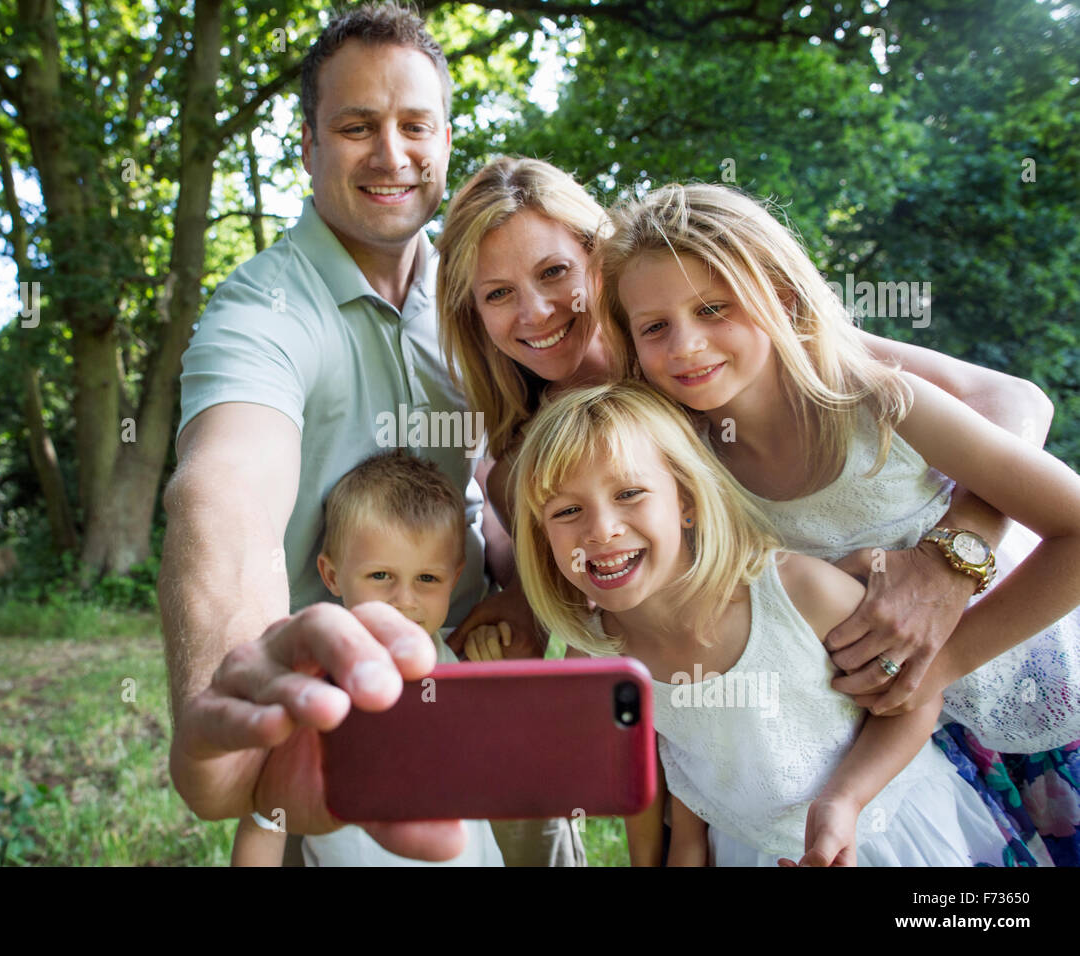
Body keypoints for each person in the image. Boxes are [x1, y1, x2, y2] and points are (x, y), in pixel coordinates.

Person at [435, 155, 1057, 863]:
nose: (536, 312)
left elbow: (1015, 401)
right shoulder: (559, 444)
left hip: (985, 657)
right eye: (497, 294)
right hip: (829, 731)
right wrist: (523, 594)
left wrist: (949, 564)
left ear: (596, 259)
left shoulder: (740, 353)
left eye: (553, 273)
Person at [161, 3, 556, 865]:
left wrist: (520, 595)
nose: (391, 154)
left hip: (481, 683)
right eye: (355, 126)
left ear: (446, 139)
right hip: (340, 729)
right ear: (307, 144)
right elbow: (223, 493)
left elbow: (511, 471)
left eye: (415, 124)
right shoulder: (258, 314)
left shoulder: (483, 292)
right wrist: (236, 694)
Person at [598, 182, 1080, 864]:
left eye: (714, 308)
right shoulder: (688, 473)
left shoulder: (877, 402)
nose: (687, 344)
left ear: (782, 299)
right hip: (903, 750)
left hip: (1034, 695)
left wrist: (945, 660)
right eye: (654, 327)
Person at [511, 380, 1014, 865]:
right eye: (568, 510)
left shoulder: (797, 592)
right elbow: (689, 754)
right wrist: (686, 847)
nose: (602, 530)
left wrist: (845, 801)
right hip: (748, 851)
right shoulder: (601, 660)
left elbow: (915, 699)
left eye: (629, 494)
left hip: (891, 833)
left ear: (685, 500)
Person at [231, 452, 505, 866]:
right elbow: (266, 818)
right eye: (381, 576)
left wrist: (489, 668)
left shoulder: (459, 659)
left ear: (455, 576)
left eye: (427, 579)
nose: (405, 601)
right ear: (332, 575)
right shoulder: (316, 677)